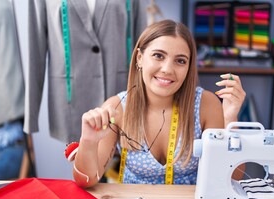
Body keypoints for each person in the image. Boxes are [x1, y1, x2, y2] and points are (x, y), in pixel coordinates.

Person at [69, 19, 246, 187]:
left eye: (180, 61)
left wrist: (230, 119)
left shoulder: (206, 105)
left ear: (189, 67)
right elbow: (86, 181)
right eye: (158, 56)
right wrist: (88, 141)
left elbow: (232, 178)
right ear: (139, 58)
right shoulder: (117, 108)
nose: (168, 69)